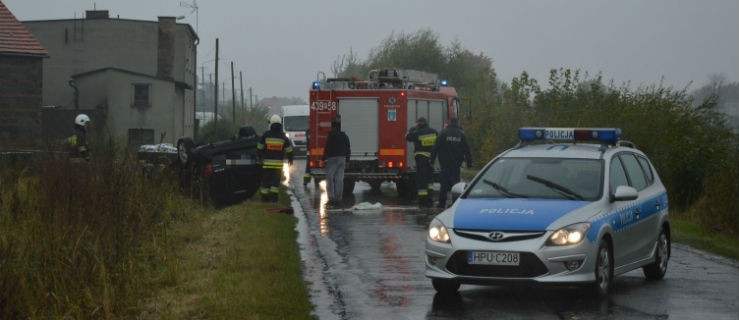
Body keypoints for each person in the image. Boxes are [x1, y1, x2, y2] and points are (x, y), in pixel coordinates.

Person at [430, 117, 472, 208]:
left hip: (445, 164)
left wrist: (432, 160)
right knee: (456, 184)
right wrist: (469, 163)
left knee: (444, 184)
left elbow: (435, 147)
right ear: (457, 123)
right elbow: (467, 149)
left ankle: (441, 203)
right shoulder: (461, 134)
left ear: (449, 122)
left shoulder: (443, 133)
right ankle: (455, 204)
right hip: (456, 164)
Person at [257, 114, 294, 202]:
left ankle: (264, 201)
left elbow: (259, 147)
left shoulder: (266, 134)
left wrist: (259, 156)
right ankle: (273, 201)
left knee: (265, 184)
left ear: (271, 124)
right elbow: (289, 150)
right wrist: (290, 160)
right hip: (278, 166)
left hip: (266, 165)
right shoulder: (283, 136)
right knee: (274, 185)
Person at [405, 117, 437, 207]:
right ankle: (430, 196)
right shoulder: (434, 131)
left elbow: (407, 137)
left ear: (419, 124)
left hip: (421, 157)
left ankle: (422, 199)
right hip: (431, 158)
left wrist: (412, 128)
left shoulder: (417, 132)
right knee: (430, 177)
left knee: (421, 178)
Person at [322, 117, 351, 207]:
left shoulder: (331, 135)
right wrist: (348, 160)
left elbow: (327, 147)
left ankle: (331, 198)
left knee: (329, 178)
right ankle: (339, 199)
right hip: (342, 159)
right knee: (339, 179)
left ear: (333, 127)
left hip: (332, 159)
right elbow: (348, 148)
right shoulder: (344, 135)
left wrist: (323, 158)